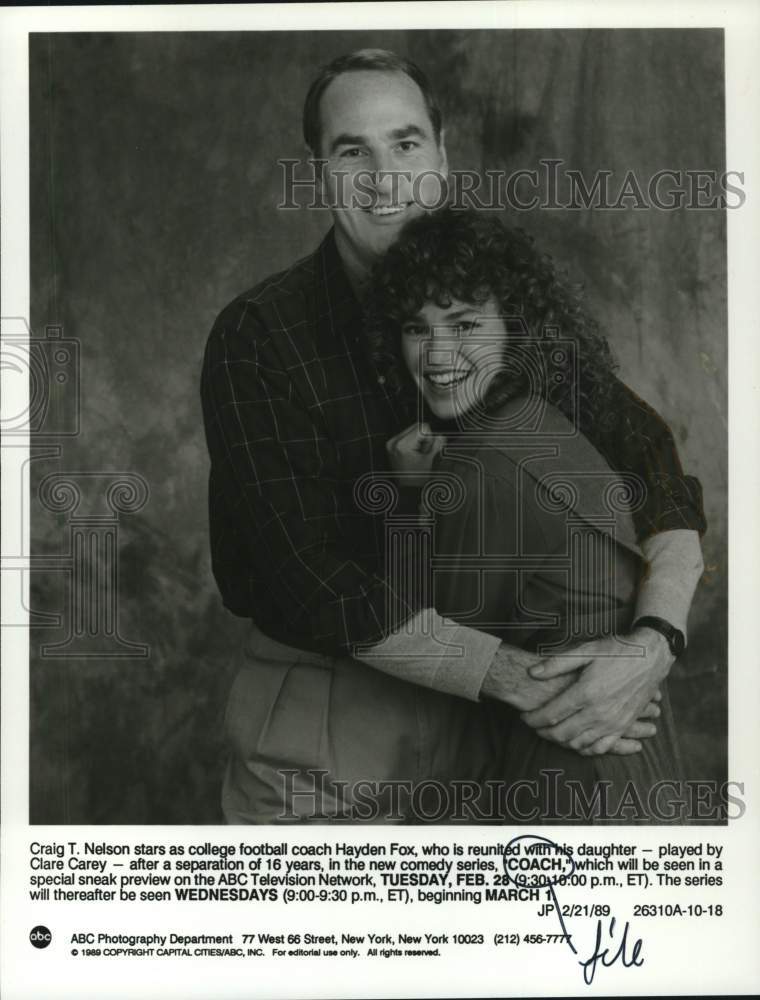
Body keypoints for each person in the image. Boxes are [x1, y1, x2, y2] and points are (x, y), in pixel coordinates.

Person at [200, 49, 706, 824]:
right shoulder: (259, 336)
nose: (384, 176)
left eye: (405, 144)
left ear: (442, 154)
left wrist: (651, 643)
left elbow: (660, 476)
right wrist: (523, 680)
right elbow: (307, 578)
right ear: (317, 173)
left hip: (492, 752)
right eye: (351, 152)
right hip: (328, 753)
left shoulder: (505, 307)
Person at [369, 206, 704, 822]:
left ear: (515, 329)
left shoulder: (478, 462)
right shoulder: (542, 419)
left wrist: (412, 497)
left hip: (566, 767)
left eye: (464, 324)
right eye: (417, 329)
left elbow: (424, 625)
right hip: (634, 757)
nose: (438, 354)